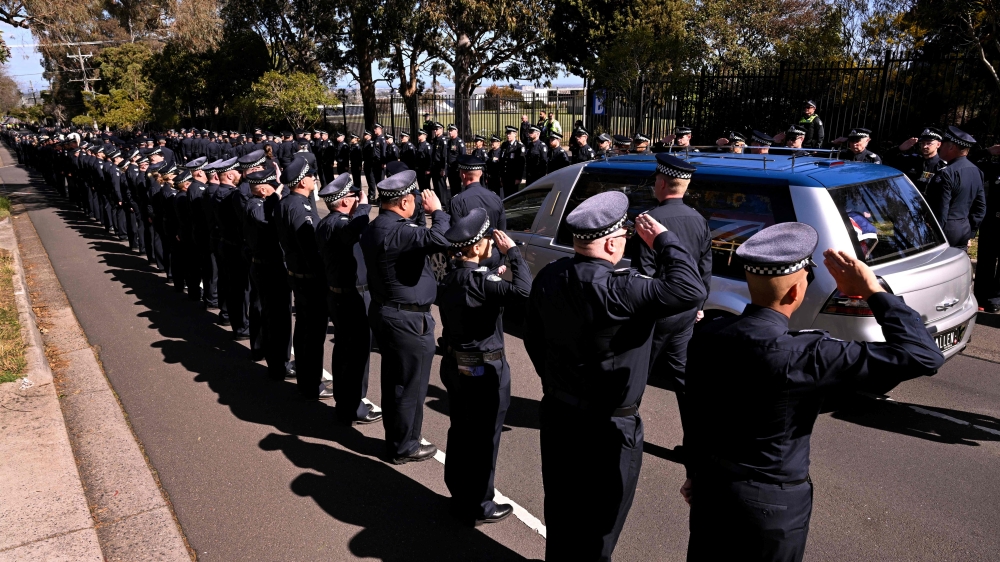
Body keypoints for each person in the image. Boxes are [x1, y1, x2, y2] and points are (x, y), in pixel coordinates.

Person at [682, 222, 944, 562]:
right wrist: (874, 292)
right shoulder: (808, 354)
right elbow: (923, 356)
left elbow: (698, 410)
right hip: (773, 507)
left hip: (713, 490)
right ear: (795, 292)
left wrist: (695, 471)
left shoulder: (708, 335)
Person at [525, 192, 707, 561]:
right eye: (623, 236)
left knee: (561, 512)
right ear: (611, 242)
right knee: (600, 527)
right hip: (609, 425)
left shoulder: (549, 275)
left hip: (559, 411)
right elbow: (691, 289)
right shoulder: (622, 288)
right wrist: (664, 240)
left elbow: (533, 339)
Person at [437, 209, 530, 526]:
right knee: (485, 437)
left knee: (460, 430)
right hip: (482, 370)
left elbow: (474, 284)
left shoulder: (450, 277)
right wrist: (514, 254)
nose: (492, 243)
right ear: (477, 247)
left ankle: (459, 493)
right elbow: (523, 291)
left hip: (454, 365)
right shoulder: (484, 282)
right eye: (488, 239)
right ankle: (480, 503)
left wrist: (494, 271)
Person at [361, 171, 450, 463]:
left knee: (395, 382)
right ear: (403, 202)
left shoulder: (377, 226)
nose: (415, 205)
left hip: (387, 312)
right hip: (407, 321)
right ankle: (404, 446)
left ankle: (399, 438)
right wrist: (437, 210)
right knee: (411, 386)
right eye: (412, 200)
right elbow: (440, 238)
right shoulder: (399, 231)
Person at [633, 154, 712, 415]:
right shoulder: (699, 219)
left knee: (636, 372)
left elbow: (644, 272)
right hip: (687, 313)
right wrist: (698, 305)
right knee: (682, 375)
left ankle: (619, 429)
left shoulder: (649, 220)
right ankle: (696, 443)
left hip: (657, 312)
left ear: (663, 184)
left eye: (656, 180)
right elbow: (704, 269)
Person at [316, 174, 382, 424]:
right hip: (352, 297)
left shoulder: (328, 222)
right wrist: (365, 207)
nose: (358, 199)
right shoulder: (340, 224)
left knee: (345, 350)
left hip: (339, 295)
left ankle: (346, 402)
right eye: (354, 196)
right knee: (356, 353)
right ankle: (353, 405)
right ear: (344, 201)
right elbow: (353, 231)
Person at [275, 156, 329, 400]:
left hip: (298, 275)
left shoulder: (287, 202)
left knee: (305, 329)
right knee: (312, 334)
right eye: (310, 176)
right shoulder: (299, 207)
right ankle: (311, 383)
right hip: (309, 278)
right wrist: (323, 277)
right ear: (301, 182)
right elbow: (309, 248)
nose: (314, 179)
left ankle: (306, 380)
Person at [243, 169, 294, 382]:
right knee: (276, 319)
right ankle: (278, 366)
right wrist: (276, 200)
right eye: (272, 188)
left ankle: (278, 360)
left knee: (275, 316)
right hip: (268, 268)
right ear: (264, 190)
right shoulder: (256, 206)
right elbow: (268, 223)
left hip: (270, 267)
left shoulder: (260, 202)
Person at [925, 126, 987, 249]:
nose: (941, 147)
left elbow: (941, 209)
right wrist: (971, 233)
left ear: (951, 147)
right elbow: (980, 208)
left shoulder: (946, 173)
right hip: (963, 228)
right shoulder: (977, 171)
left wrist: (936, 234)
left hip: (945, 230)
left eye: (943, 144)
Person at [449, 155, 507, 270]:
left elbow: (456, 235)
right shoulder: (496, 198)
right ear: (480, 174)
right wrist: (501, 261)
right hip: (492, 254)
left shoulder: (457, 201)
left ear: (463, 175)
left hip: (471, 258)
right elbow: (502, 232)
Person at [885, 127, 947, 192]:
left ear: (938, 144)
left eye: (929, 143)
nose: (924, 146)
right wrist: (899, 148)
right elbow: (888, 157)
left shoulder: (942, 167)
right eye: (922, 143)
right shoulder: (912, 160)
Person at [500, 126, 524, 195]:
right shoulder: (504, 145)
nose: (508, 135)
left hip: (513, 177)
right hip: (505, 176)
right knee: (505, 195)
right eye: (507, 133)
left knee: (513, 195)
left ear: (515, 134)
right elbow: (502, 161)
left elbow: (521, 163)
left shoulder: (519, 146)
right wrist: (501, 177)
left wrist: (518, 178)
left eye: (510, 133)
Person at [431, 123, 451, 208]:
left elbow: (444, 156)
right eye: (434, 129)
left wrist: (443, 168)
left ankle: (444, 205)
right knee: (436, 186)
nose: (435, 131)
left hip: (440, 166)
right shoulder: (435, 140)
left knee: (441, 186)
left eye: (437, 129)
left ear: (441, 129)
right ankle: (438, 204)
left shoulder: (443, 140)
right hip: (434, 166)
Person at [446, 124, 466, 201]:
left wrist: (460, 168)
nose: (450, 132)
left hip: (457, 169)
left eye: (451, 130)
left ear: (456, 131)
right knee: (452, 187)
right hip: (450, 168)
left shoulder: (459, 142)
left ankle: (459, 201)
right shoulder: (449, 142)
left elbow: (463, 156)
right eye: (449, 131)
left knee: (457, 187)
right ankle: (453, 201)